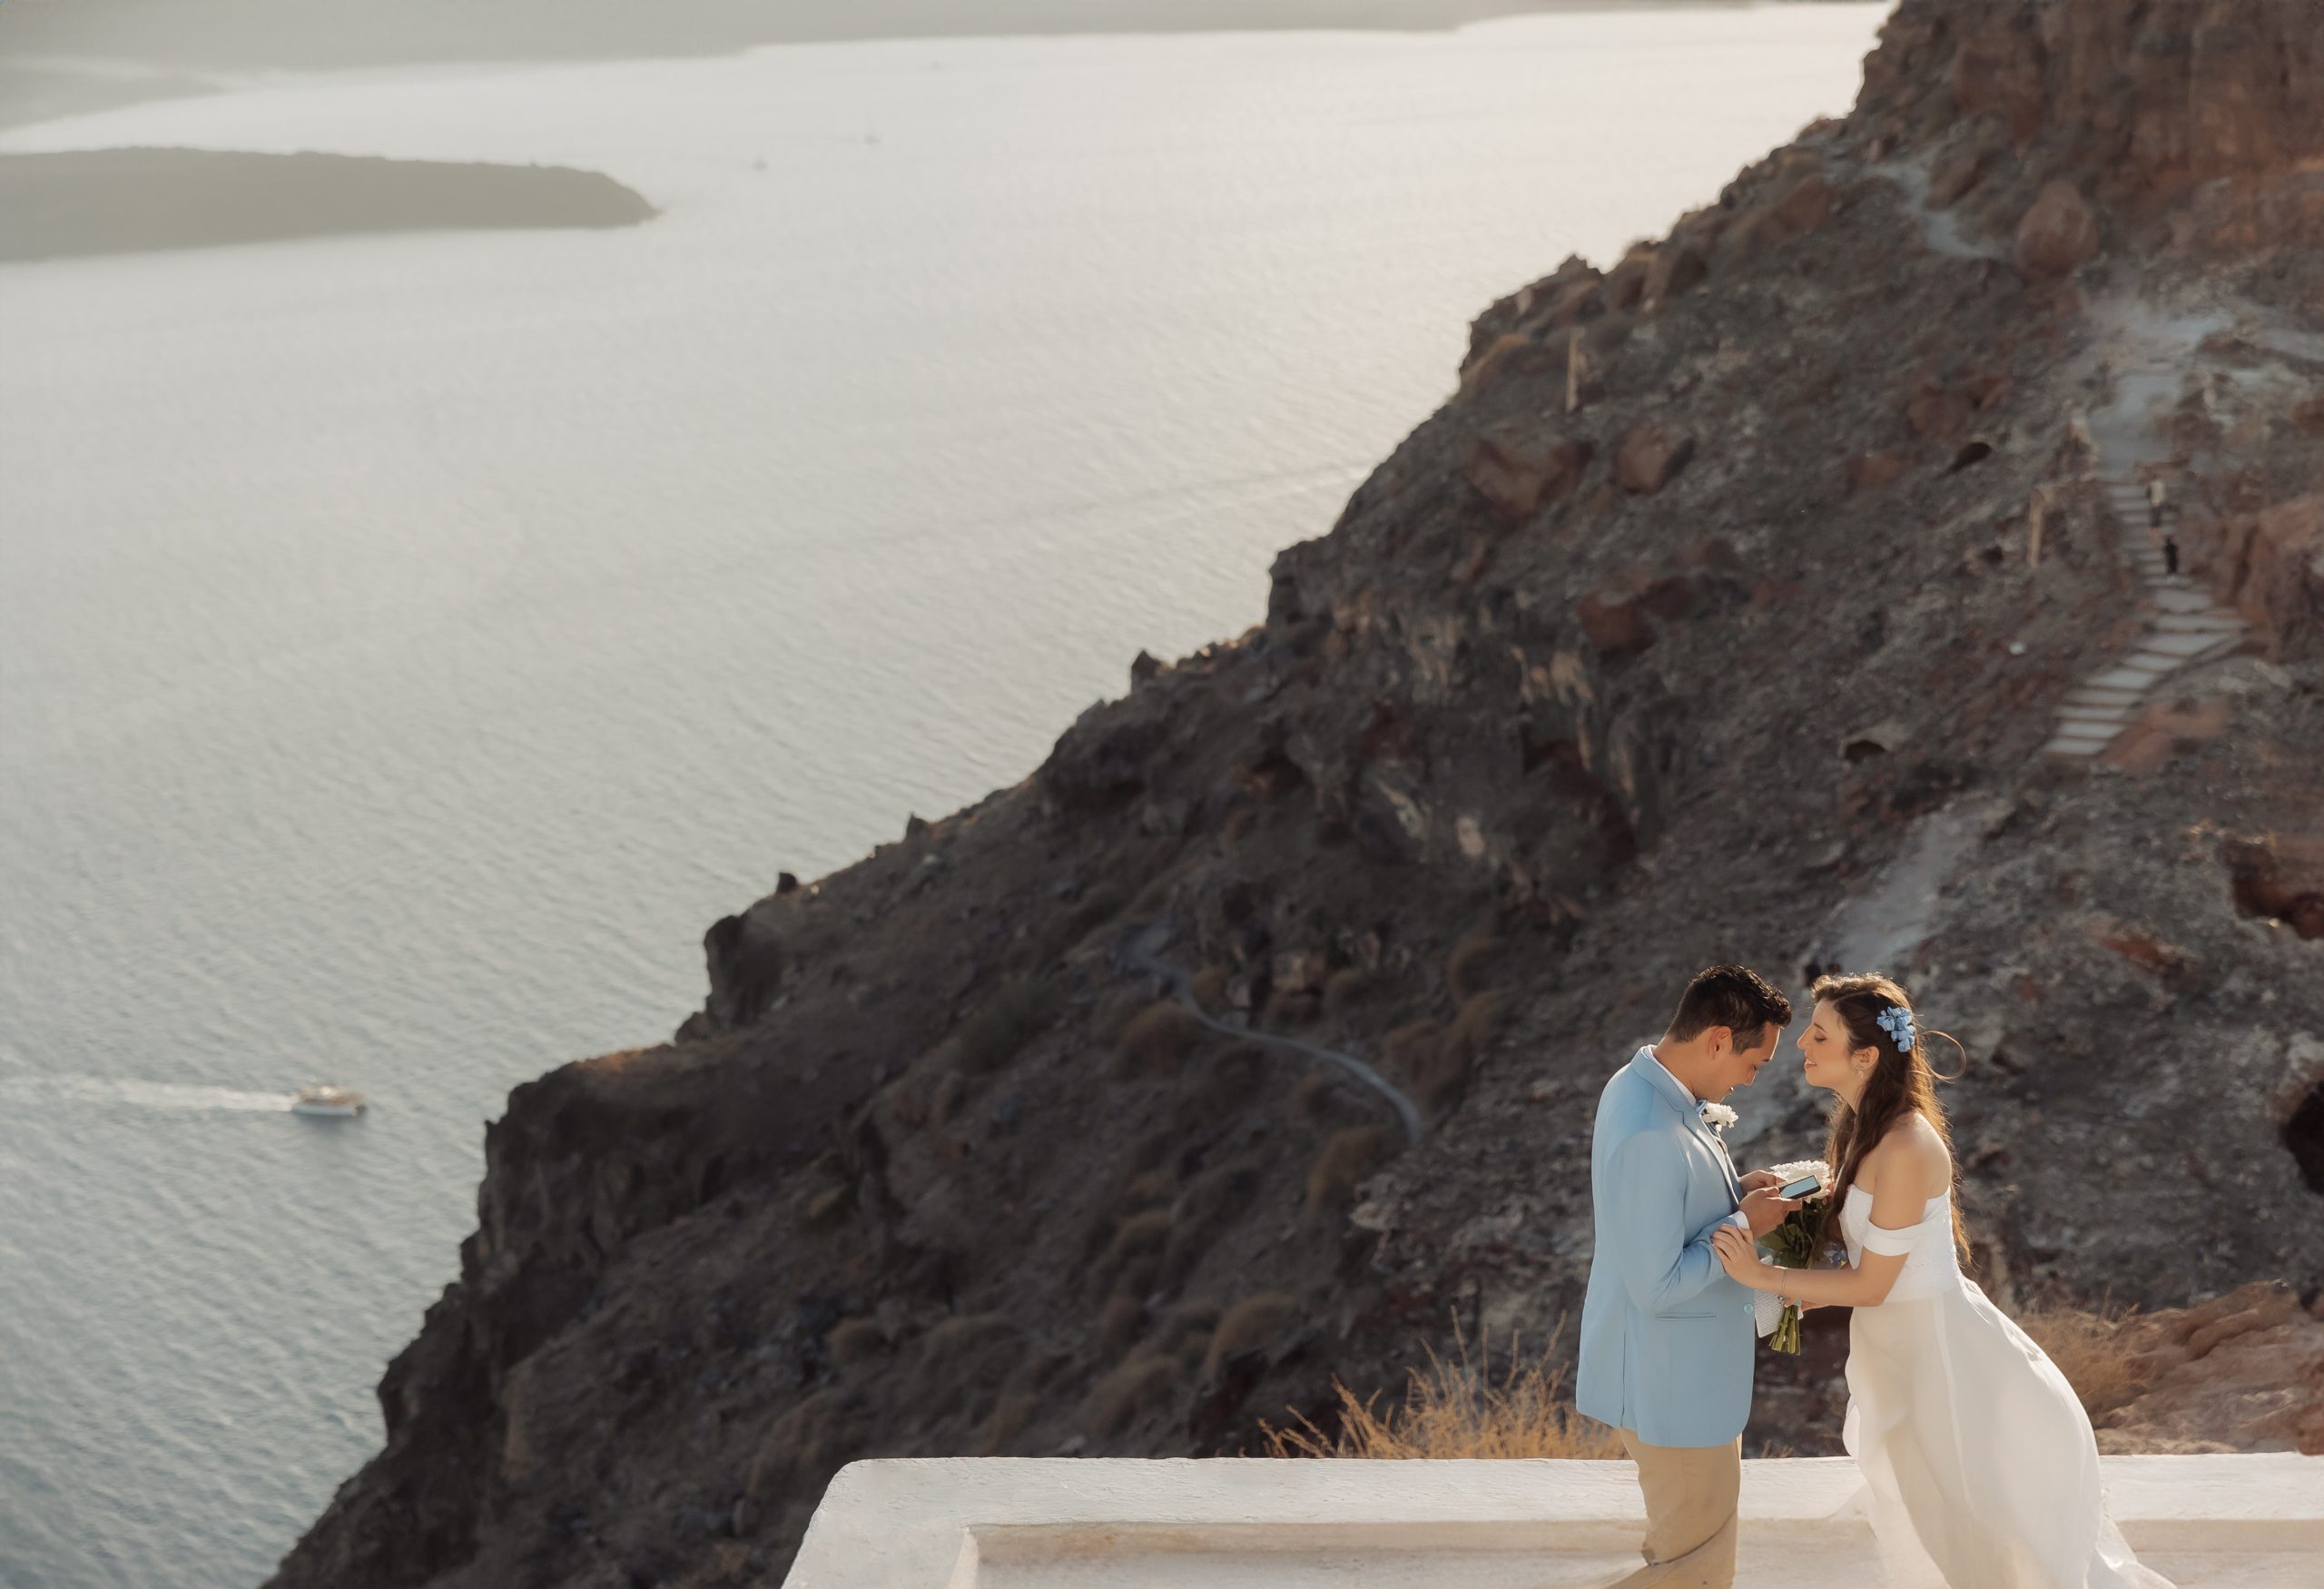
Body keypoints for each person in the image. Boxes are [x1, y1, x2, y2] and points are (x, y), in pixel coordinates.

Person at [1712, 974, 2174, 1588]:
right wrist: (1789, 1195)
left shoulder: (1905, 1145)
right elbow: (1857, 1215)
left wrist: (1758, 1273)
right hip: (1901, 1355)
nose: (1801, 1044)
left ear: (1867, 1056)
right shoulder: (1864, 1127)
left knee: (1983, 1537)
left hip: (1946, 1365)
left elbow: (1874, 1284)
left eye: (1819, 1034)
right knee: (1939, 1528)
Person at [1577, 964, 1801, 1586]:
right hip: (1671, 1387)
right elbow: (1657, 1285)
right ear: (1718, 1041)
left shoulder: (1642, 1085)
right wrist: (1745, 1227)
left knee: (1685, 1560)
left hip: (1678, 1382)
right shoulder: (1651, 1130)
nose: (1749, 1081)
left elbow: (1666, 1214)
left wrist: (1736, 1192)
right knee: (1693, 1574)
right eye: (1752, 1064)